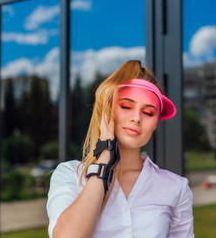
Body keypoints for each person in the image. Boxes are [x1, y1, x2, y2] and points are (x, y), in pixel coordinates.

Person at [46, 60, 194, 238]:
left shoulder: (176, 188)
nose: (137, 118)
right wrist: (104, 161)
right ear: (108, 111)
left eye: (148, 112)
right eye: (126, 106)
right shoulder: (69, 175)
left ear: (156, 124)